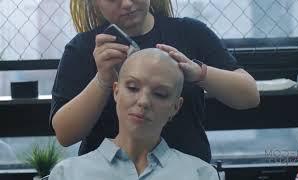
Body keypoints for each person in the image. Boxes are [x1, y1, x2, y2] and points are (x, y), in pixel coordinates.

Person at [50, 0, 260, 163]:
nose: (127, 4)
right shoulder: (84, 49)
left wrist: (199, 73)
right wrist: (102, 79)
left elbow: (249, 95)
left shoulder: (190, 33)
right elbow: (65, 134)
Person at [49, 48, 220, 180]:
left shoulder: (200, 174)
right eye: (132, 88)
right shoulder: (68, 174)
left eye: (160, 94)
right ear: (116, 91)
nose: (143, 101)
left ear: (175, 107)